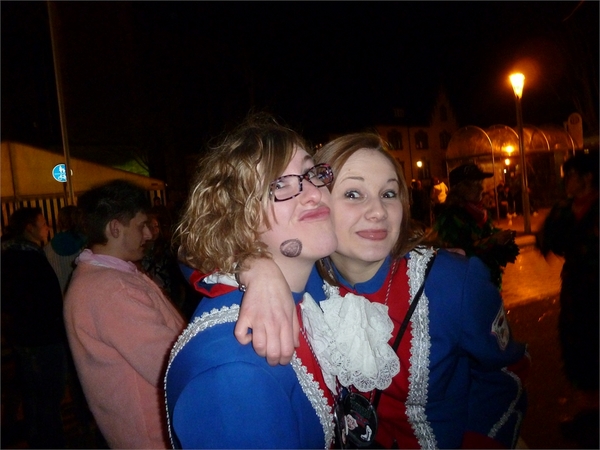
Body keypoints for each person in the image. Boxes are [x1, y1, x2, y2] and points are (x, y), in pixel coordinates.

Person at [197, 133, 530, 449]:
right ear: (320, 201)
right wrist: (256, 269)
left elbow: (506, 373)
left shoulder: (451, 282)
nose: (378, 212)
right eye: (354, 194)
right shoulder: (310, 278)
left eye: (389, 194)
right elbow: (196, 252)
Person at [164, 114, 339, 449]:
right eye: (279, 184)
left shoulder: (313, 286)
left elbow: (190, 256)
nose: (314, 194)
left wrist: (254, 266)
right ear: (235, 217)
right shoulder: (234, 371)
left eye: (311, 173)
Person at [63, 179, 186, 449]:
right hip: (153, 432)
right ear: (115, 228)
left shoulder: (105, 275)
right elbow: (170, 364)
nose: (149, 234)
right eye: (142, 225)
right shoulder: (111, 289)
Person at [536, 153, 599, 448]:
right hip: (576, 294)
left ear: (587, 178)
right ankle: (589, 412)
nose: (566, 181)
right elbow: (547, 240)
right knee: (578, 350)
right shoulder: (563, 210)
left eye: (571, 175)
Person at [1, 207, 68, 448]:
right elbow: (40, 300)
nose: (48, 226)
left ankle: (37, 438)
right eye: (43, 222)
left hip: (25, 336)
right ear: (29, 228)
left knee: (32, 395)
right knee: (48, 395)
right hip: (42, 337)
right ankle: (50, 441)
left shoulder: (12, 254)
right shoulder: (27, 258)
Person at [430, 163, 520, 290]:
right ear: (460, 189)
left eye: (481, 183)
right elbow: (460, 253)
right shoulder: (451, 218)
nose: (481, 188)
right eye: (474, 184)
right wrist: (493, 240)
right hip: (467, 286)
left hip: (485, 285)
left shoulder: (479, 213)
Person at [44, 205, 87, 294]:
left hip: (57, 297)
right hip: (80, 295)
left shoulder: (47, 249)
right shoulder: (88, 246)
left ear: (59, 222)